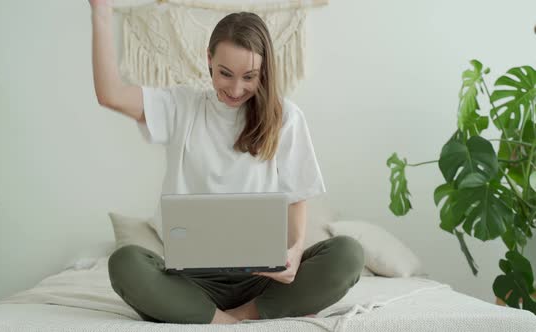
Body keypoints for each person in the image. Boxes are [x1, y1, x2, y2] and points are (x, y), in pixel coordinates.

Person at [88, 0, 365, 324]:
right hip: (192, 280)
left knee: (348, 254)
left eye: (249, 76)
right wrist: (101, 12)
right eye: (225, 74)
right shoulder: (181, 106)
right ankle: (225, 319)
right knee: (124, 263)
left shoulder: (286, 117)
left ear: (264, 71)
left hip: (263, 279)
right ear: (209, 60)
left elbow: (297, 196)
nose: (236, 88)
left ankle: (234, 315)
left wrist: (294, 251)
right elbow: (110, 94)